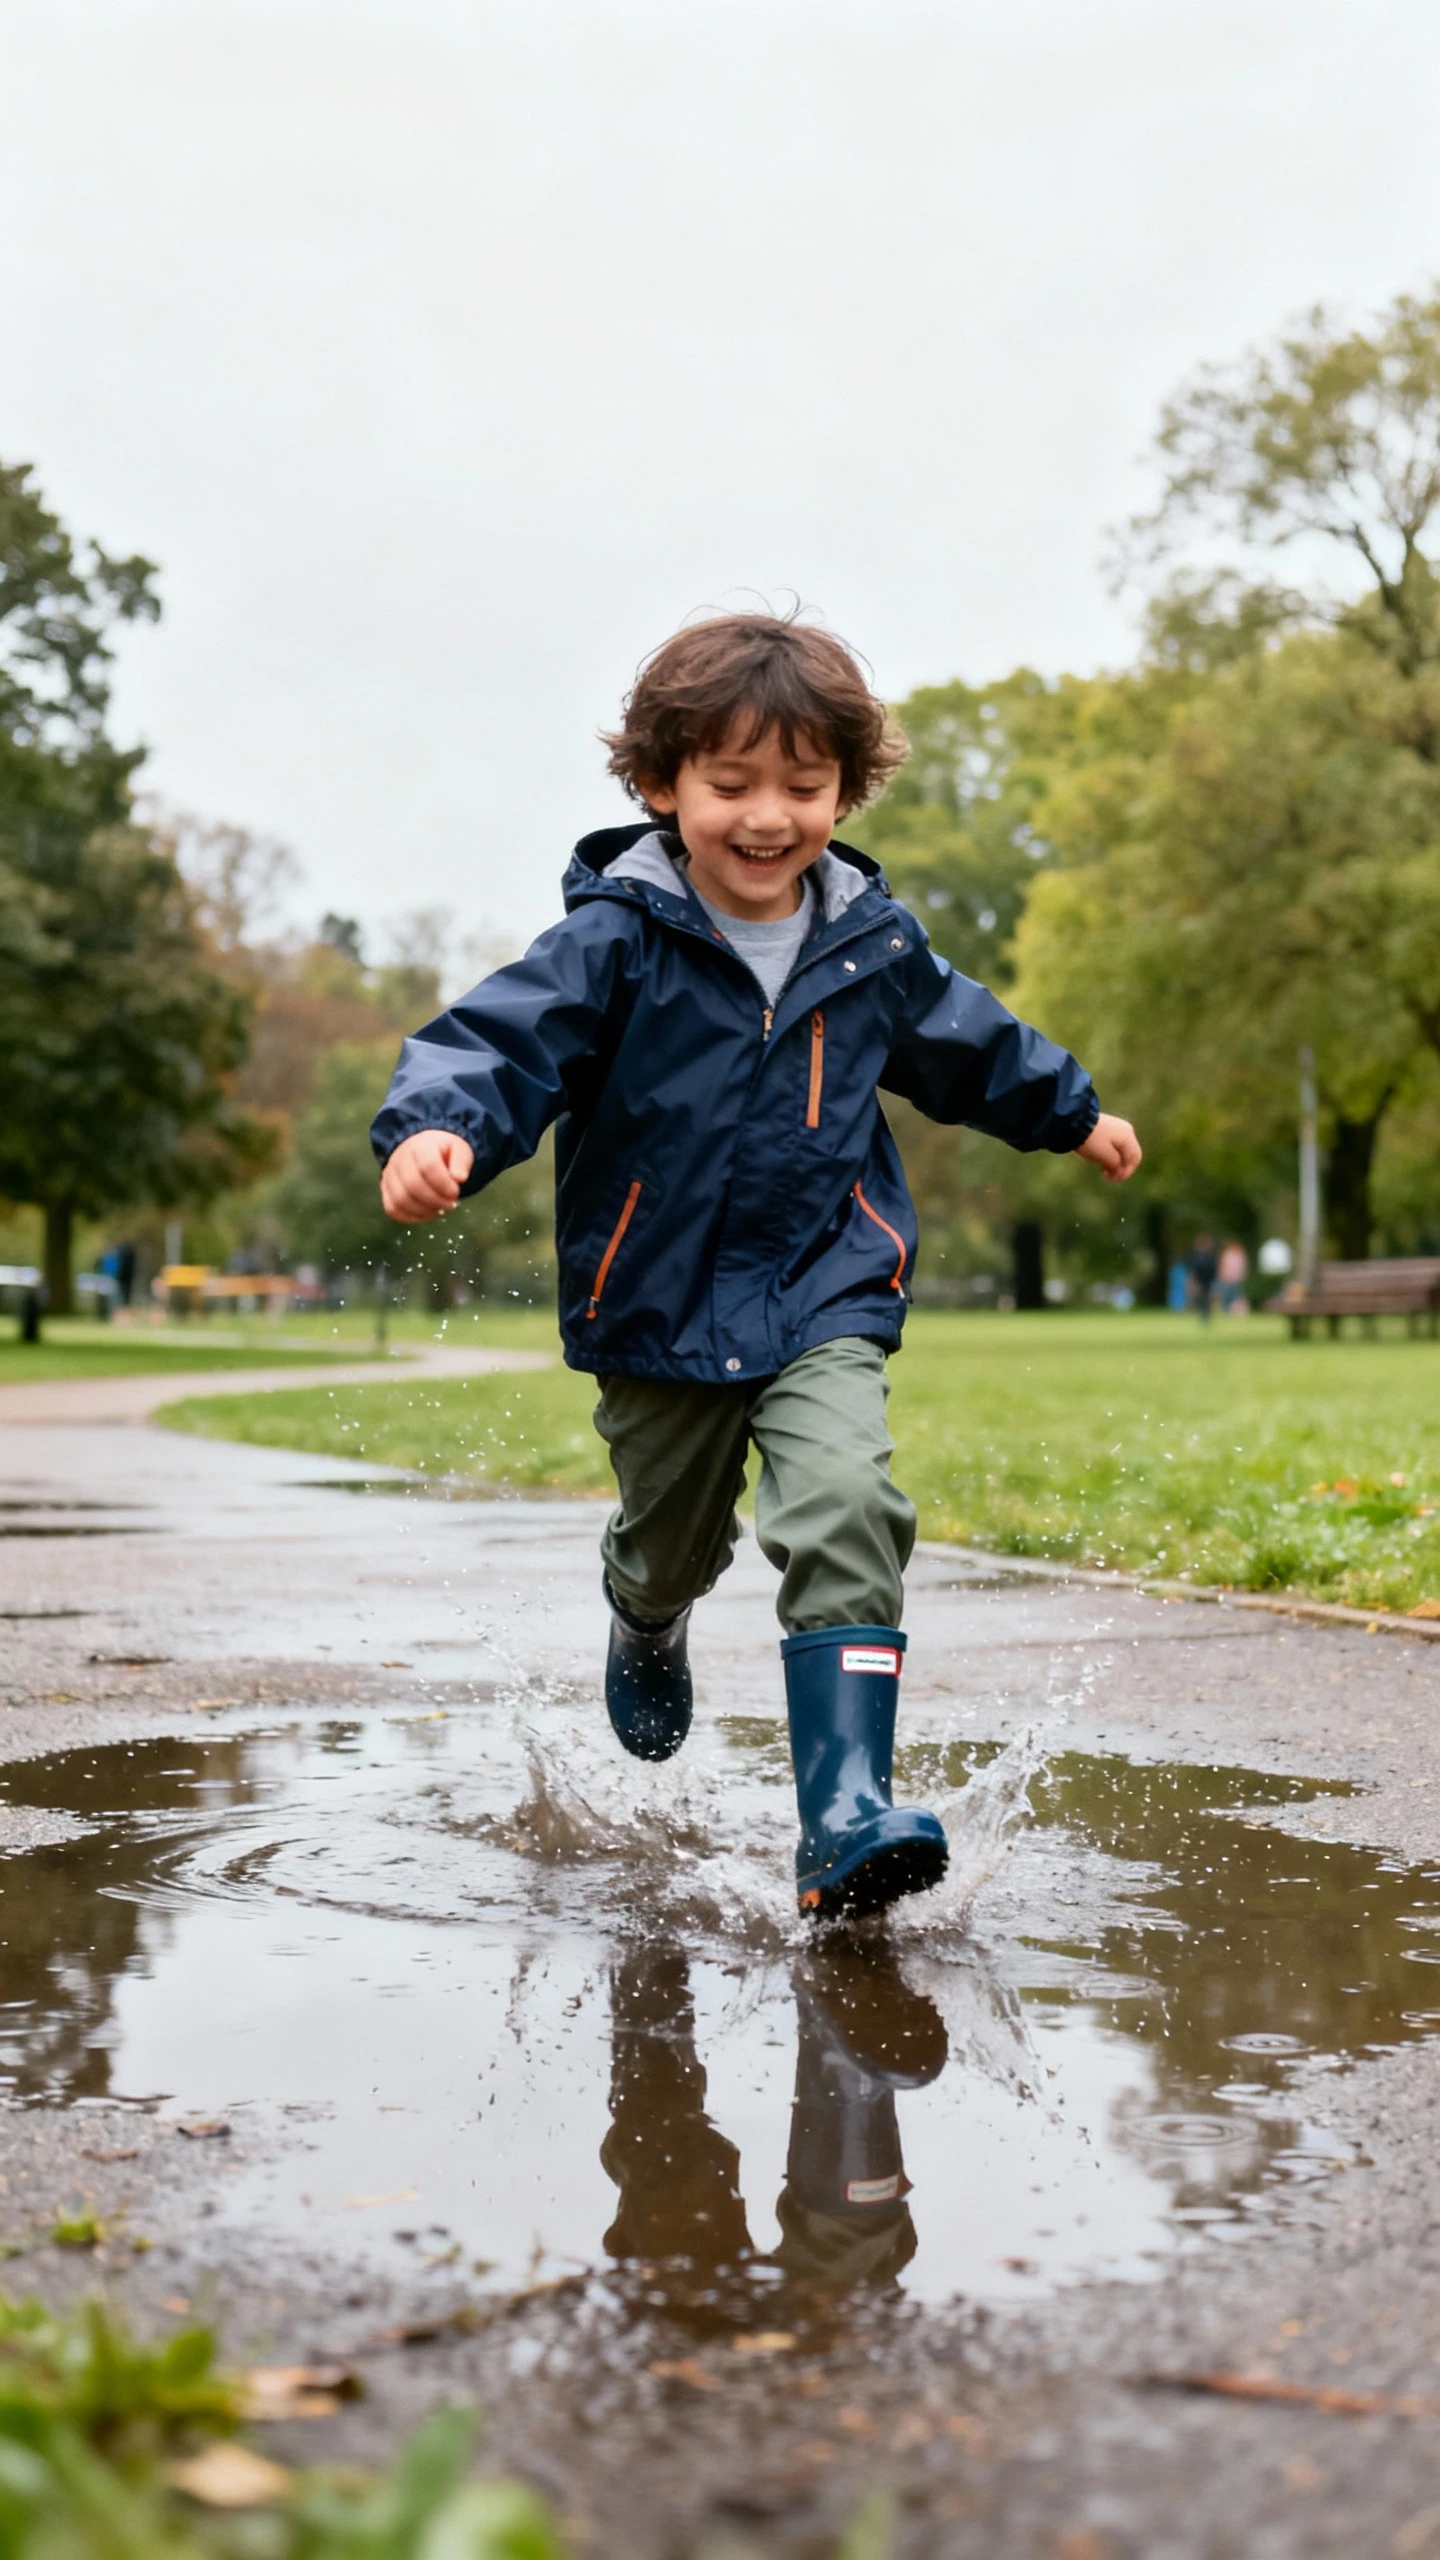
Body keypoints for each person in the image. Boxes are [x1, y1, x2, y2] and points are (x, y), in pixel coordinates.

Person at [372, 613, 1141, 1921]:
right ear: (664, 785)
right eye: (732, 785)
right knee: (672, 1543)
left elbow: (976, 1048)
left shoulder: (876, 948)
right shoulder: (615, 940)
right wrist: (437, 1127)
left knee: (846, 1502)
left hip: (822, 1285)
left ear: (848, 790)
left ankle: (841, 1815)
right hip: (655, 1302)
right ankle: (646, 1613)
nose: (770, 817)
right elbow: (498, 1042)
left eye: (804, 785)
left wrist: (1071, 1111)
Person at [1188, 1232, 1219, 1322]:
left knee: (1207, 1299)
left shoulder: (1209, 1255)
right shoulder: (1197, 1255)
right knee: (1201, 1299)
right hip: (1200, 1280)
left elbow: (1213, 1268)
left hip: (1208, 1280)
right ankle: (1203, 1315)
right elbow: (1194, 1267)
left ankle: (1206, 1315)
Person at [1217, 1238, 1249, 1316]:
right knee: (1226, 1296)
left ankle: (1237, 1311)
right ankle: (1226, 1311)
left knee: (1236, 1296)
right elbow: (1223, 1266)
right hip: (1228, 1279)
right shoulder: (1228, 1254)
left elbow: (1242, 1267)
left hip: (1235, 1279)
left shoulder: (1239, 1254)